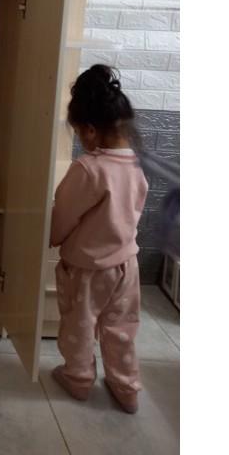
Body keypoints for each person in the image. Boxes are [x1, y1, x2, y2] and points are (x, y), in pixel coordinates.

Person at [49, 64, 148, 414]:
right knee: (121, 328)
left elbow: (64, 213)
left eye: (78, 132)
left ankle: (77, 378)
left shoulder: (88, 169)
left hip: (87, 268)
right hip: (127, 266)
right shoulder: (135, 164)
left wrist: (53, 237)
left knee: (79, 324)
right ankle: (126, 388)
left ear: (90, 130)